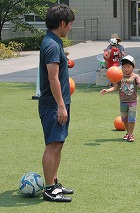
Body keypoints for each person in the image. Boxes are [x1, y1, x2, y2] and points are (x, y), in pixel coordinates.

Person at [38, 4, 75, 202]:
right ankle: (49, 189)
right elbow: (52, 78)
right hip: (53, 104)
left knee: (58, 144)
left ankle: (54, 182)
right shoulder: (52, 44)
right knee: (52, 145)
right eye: (69, 24)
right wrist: (61, 105)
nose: (70, 28)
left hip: (58, 102)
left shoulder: (54, 42)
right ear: (62, 23)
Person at [100, 55, 140, 142]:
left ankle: (130, 134)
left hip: (132, 102)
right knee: (125, 119)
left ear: (133, 67)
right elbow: (115, 87)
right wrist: (107, 90)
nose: (126, 68)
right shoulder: (120, 76)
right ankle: (128, 133)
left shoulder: (135, 76)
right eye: (124, 66)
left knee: (131, 119)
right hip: (123, 102)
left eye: (128, 66)